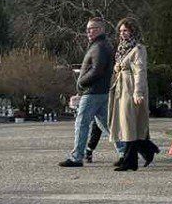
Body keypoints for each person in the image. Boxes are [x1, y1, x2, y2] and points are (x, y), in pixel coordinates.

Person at [59, 17, 115, 167]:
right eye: (88, 29)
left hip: (92, 92)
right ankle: (125, 151)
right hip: (100, 91)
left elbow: (97, 70)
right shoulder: (101, 45)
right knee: (106, 125)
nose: (88, 32)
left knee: (82, 123)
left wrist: (81, 82)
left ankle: (77, 157)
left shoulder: (99, 47)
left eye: (92, 28)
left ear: (101, 29)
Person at [108, 18, 156, 170]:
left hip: (130, 88)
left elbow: (140, 71)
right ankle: (145, 150)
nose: (123, 34)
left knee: (129, 123)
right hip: (120, 88)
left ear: (133, 31)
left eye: (126, 31)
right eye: (121, 31)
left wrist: (138, 92)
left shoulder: (138, 49)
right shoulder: (123, 48)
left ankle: (131, 160)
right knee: (124, 123)